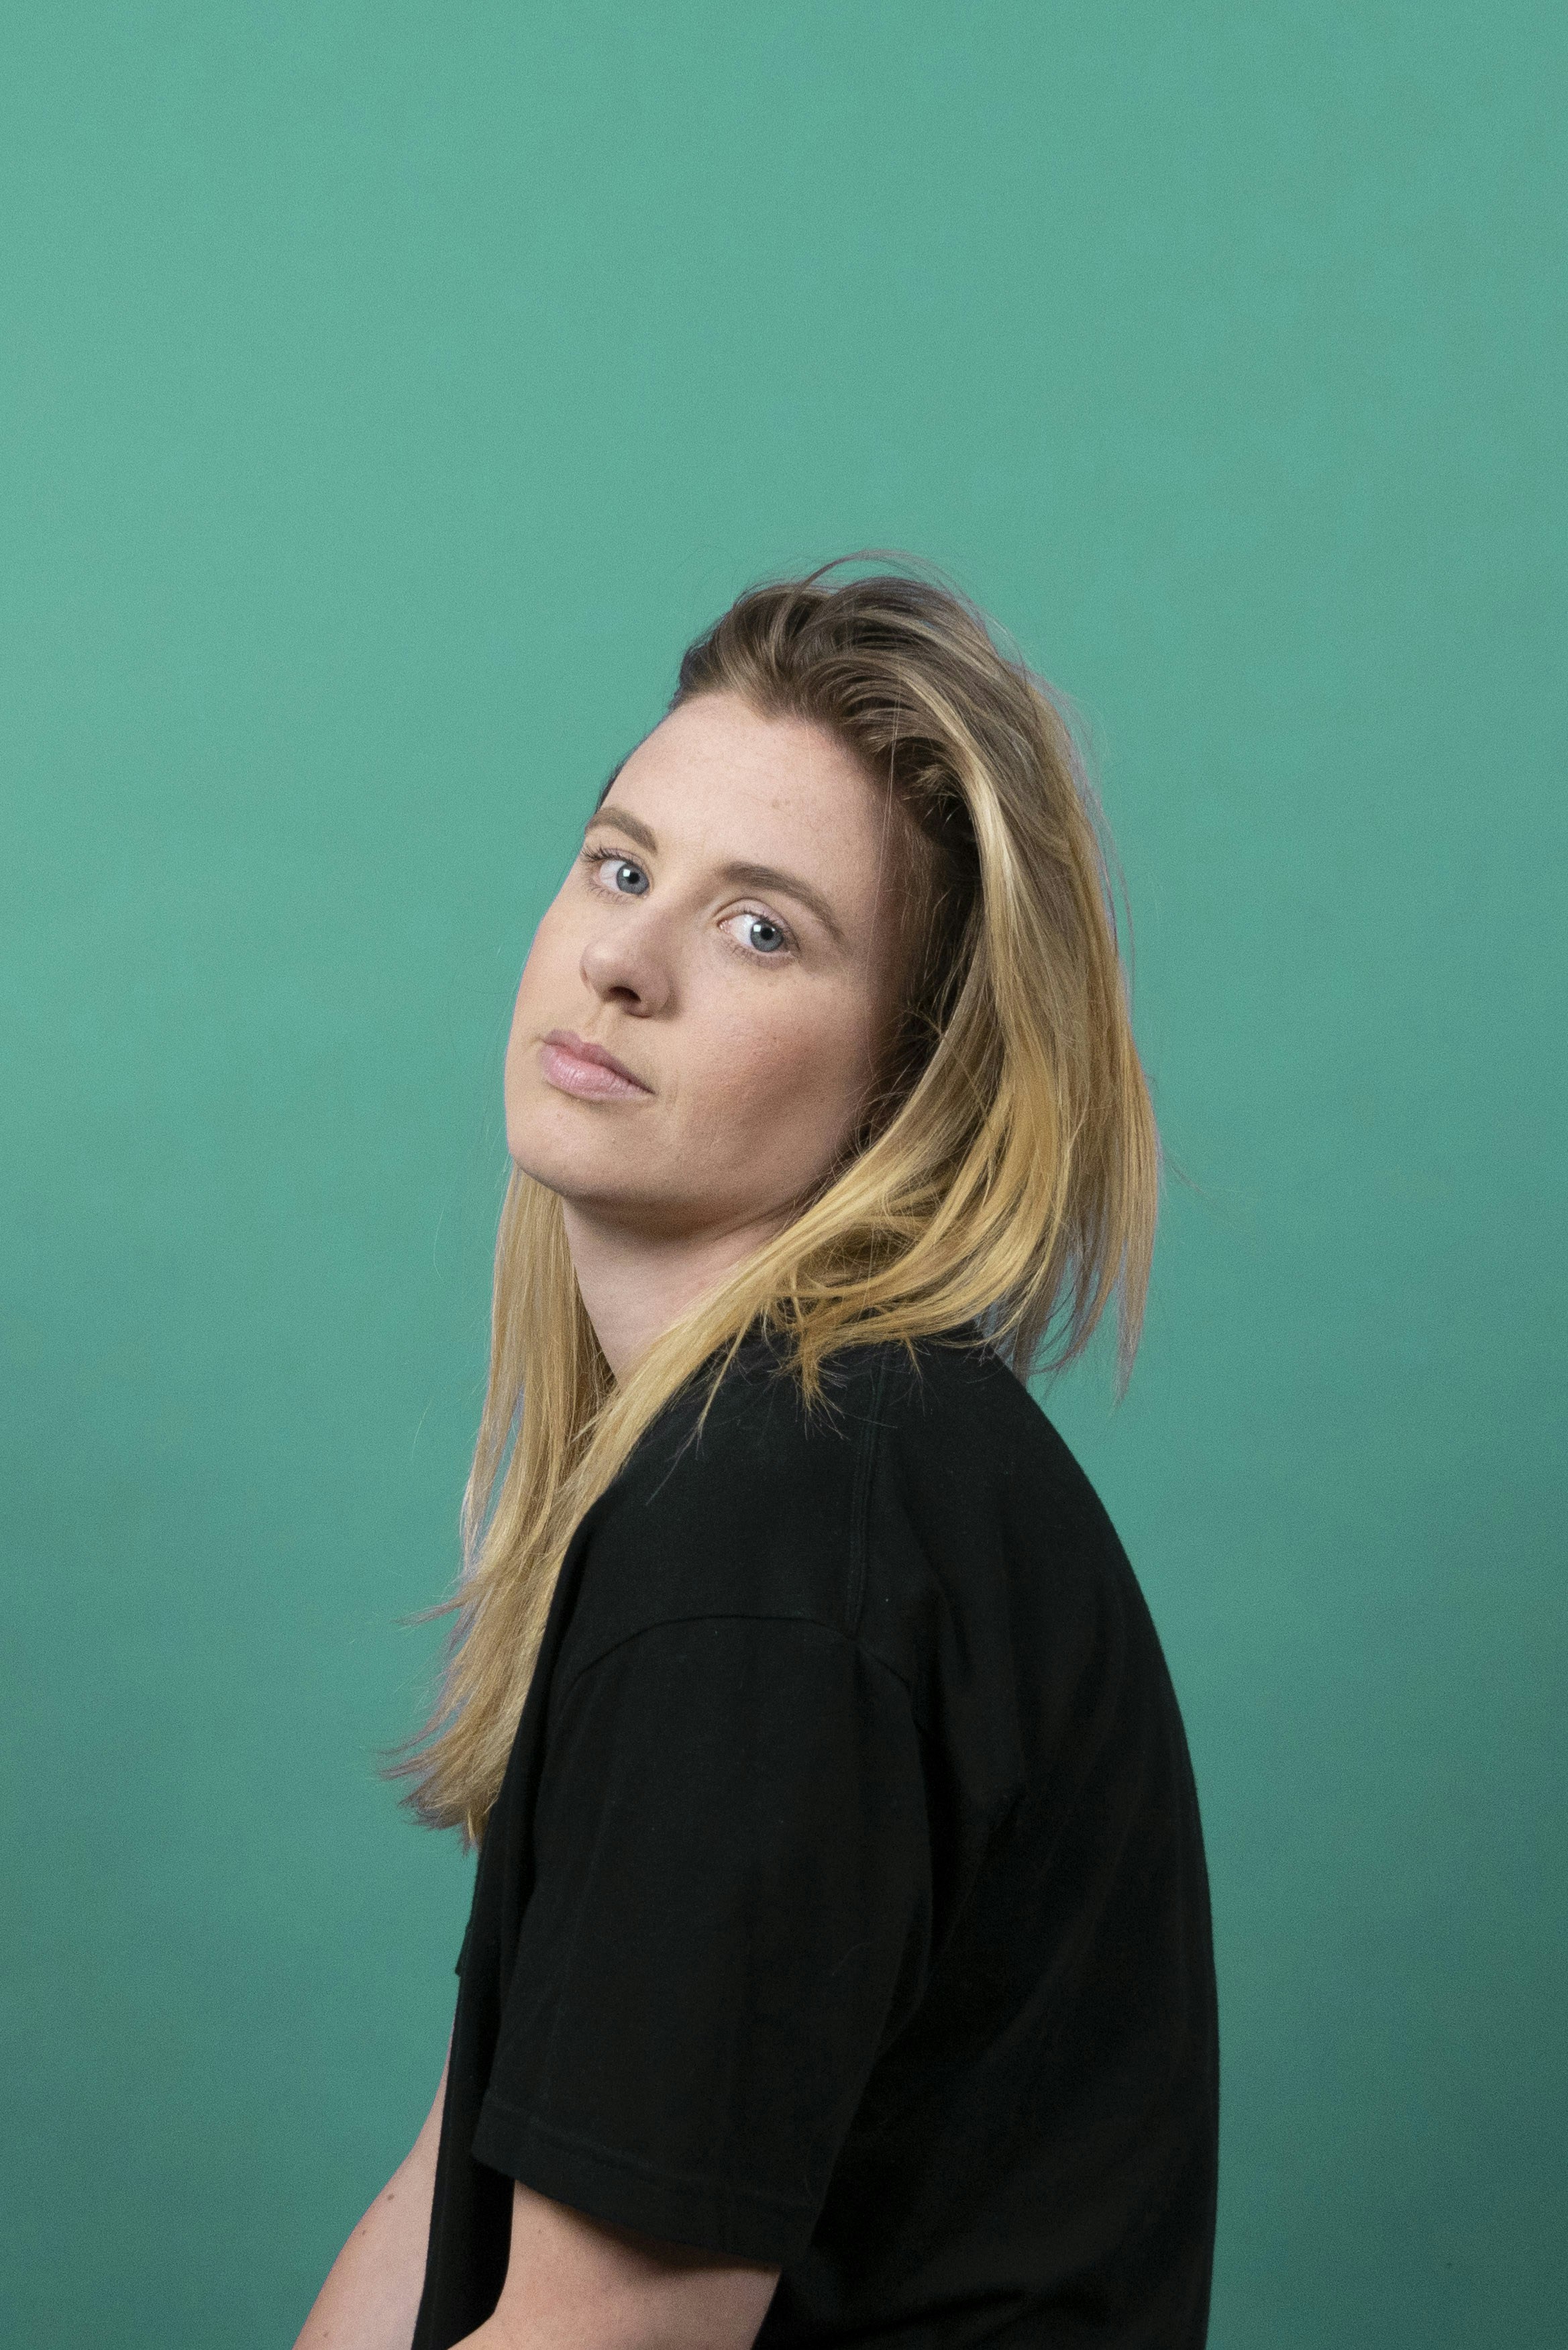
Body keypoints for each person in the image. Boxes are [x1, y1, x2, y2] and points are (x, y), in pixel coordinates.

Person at [295, 563, 1219, 2350]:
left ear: (908, 1076)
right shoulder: (773, 1464)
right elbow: (451, 2194)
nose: (620, 962)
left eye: (760, 931)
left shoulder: (779, 1531)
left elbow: (604, 2342)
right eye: (619, 867)